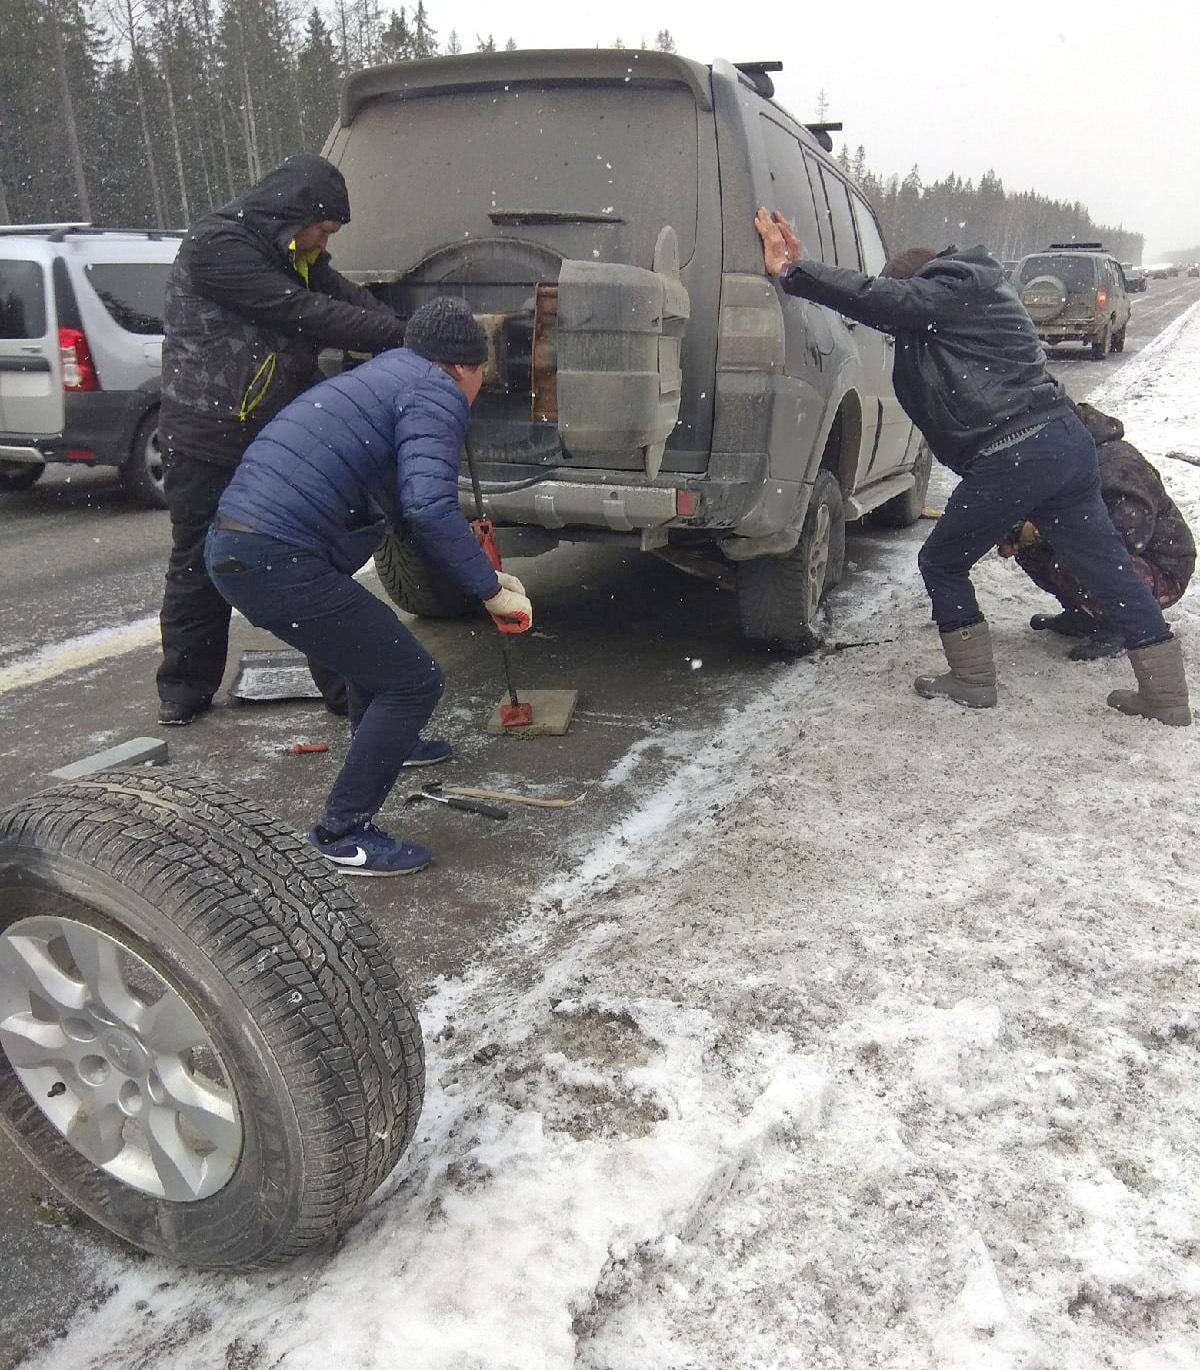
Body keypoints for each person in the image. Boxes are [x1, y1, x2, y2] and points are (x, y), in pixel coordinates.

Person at [752, 207, 1191, 727]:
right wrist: (814, 274)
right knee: (1107, 568)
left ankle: (973, 680)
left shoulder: (952, 288)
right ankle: (1165, 695)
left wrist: (793, 272)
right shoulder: (976, 294)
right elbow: (888, 307)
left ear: (921, 284)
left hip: (1016, 451)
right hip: (1062, 444)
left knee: (941, 561)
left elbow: (886, 301)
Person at [204, 295, 533, 876]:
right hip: (275, 558)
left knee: (369, 651)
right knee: (413, 681)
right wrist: (490, 590)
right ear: (464, 367)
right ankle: (342, 830)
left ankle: (385, 742)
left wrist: (480, 572)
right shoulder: (437, 392)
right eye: (482, 371)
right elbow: (431, 505)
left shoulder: (385, 373)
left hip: (242, 545)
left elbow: (402, 504)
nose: (479, 383)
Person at [156, 153, 409, 726]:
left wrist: (408, 334)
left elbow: (343, 296)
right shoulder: (217, 246)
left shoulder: (293, 251)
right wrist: (401, 338)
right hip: (206, 436)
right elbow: (304, 313)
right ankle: (184, 689)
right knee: (199, 563)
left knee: (308, 558)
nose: (323, 243)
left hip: (274, 434)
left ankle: (348, 691)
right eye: (322, 230)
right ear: (293, 214)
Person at [999, 402, 1195, 661]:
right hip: (1121, 555)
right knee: (1035, 548)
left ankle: (1122, 624)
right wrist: (1017, 530)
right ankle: (1083, 615)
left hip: (1160, 568)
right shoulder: (1066, 458)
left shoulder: (1117, 463)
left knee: (1079, 558)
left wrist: (1049, 530)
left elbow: (1127, 537)